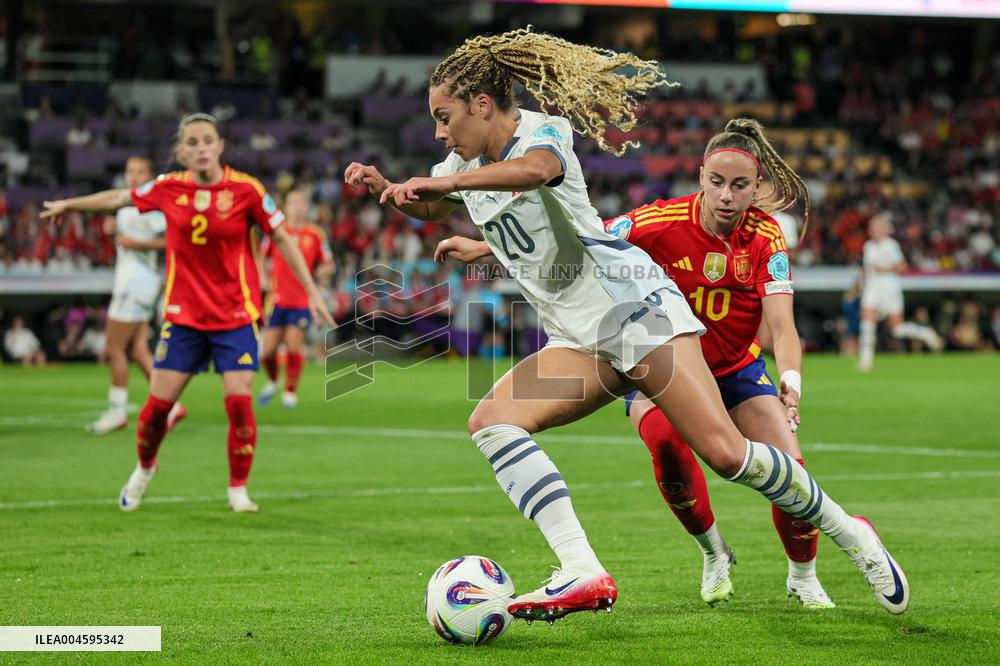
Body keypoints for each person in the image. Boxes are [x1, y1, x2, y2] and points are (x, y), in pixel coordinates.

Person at [345, 28, 908, 623]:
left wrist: (450, 184)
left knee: (725, 455)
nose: (439, 132)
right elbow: (430, 203)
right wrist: (391, 189)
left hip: (633, 312)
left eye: (444, 116)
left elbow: (535, 172)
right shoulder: (462, 160)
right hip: (578, 335)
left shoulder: (543, 133)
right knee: (491, 421)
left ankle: (854, 536)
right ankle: (581, 569)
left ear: (482, 105)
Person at [41, 113, 334, 513]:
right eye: (192, 143)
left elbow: (281, 238)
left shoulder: (247, 190)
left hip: (235, 317)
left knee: (238, 402)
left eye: (207, 141)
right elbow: (118, 198)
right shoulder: (167, 187)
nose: (200, 149)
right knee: (156, 410)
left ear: (220, 145)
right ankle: (144, 469)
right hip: (184, 319)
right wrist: (70, 204)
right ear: (181, 152)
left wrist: (313, 291)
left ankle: (238, 489)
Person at [602, 118, 833, 608]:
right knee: (666, 445)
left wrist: (790, 381)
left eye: (740, 185)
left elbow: (784, 327)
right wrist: (488, 247)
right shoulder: (657, 222)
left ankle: (803, 575)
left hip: (736, 371)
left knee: (792, 471)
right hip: (665, 369)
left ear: (758, 188)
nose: (726, 195)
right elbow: (582, 241)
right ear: (701, 177)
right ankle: (713, 553)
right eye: (716, 182)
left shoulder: (766, 237)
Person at [87, 156, 186, 435]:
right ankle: (172, 405)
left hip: (136, 283)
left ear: (150, 175)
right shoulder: (128, 205)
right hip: (134, 280)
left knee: (114, 348)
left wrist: (136, 242)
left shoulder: (152, 206)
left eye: (140, 172)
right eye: (129, 171)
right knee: (138, 350)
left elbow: (171, 241)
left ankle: (117, 411)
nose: (133, 176)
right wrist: (114, 234)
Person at [258, 189, 334, 408]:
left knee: (293, 347)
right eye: (294, 203)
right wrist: (263, 277)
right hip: (276, 299)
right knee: (268, 352)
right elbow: (261, 256)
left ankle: (290, 392)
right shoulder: (276, 231)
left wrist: (325, 271)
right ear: (286, 207)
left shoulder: (315, 234)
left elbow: (328, 261)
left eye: (302, 202)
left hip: (301, 300)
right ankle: (273, 380)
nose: (299, 207)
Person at [858, 212, 942, 371]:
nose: (873, 230)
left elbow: (902, 266)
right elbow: (867, 269)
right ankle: (865, 361)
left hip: (889, 288)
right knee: (867, 323)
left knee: (897, 329)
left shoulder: (891, 245)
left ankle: (925, 333)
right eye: (871, 227)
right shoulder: (867, 246)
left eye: (876, 227)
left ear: (884, 229)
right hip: (872, 288)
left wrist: (883, 269)